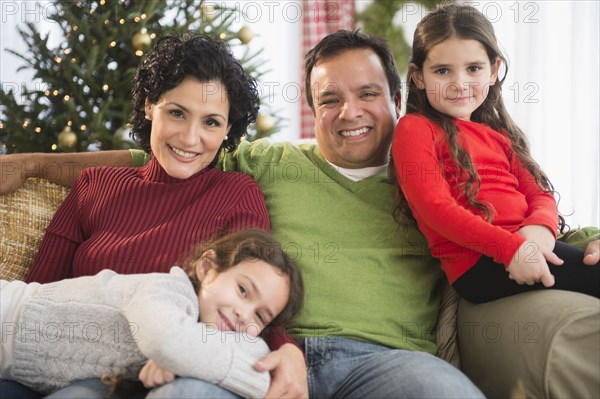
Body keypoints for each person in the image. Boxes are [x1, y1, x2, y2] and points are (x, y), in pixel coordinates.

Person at [1, 29, 599, 398]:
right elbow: (172, 152)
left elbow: (521, 218)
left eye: (367, 94)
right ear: (312, 108)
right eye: (329, 98)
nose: (350, 112)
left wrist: (592, 240)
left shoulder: (432, 176)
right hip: (247, 352)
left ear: (397, 98)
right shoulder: (267, 163)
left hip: (384, 362)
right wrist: (27, 166)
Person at [0, 32, 305, 398]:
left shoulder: (236, 194)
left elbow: (252, 299)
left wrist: (289, 351)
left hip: (163, 375)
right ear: (149, 106)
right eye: (177, 113)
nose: (191, 138)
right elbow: (40, 292)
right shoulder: (93, 185)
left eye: (211, 122)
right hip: (59, 365)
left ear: (227, 131)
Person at [389, 3, 599, 304]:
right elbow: (435, 208)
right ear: (419, 76)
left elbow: (539, 193)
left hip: (525, 244)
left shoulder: (499, 136)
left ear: (493, 70)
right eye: (442, 71)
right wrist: (511, 249)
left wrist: (540, 229)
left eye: (473, 68)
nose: (459, 84)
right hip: (480, 263)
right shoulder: (414, 128)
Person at [0, 229, 304, 398]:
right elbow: (167, 339)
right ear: (208, 267)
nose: (244, 314)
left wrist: (183, 358)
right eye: (242, 290)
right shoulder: (165, 290)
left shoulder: (208, 336)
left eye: (261, 317)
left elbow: (256, 358)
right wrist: (176, 353)